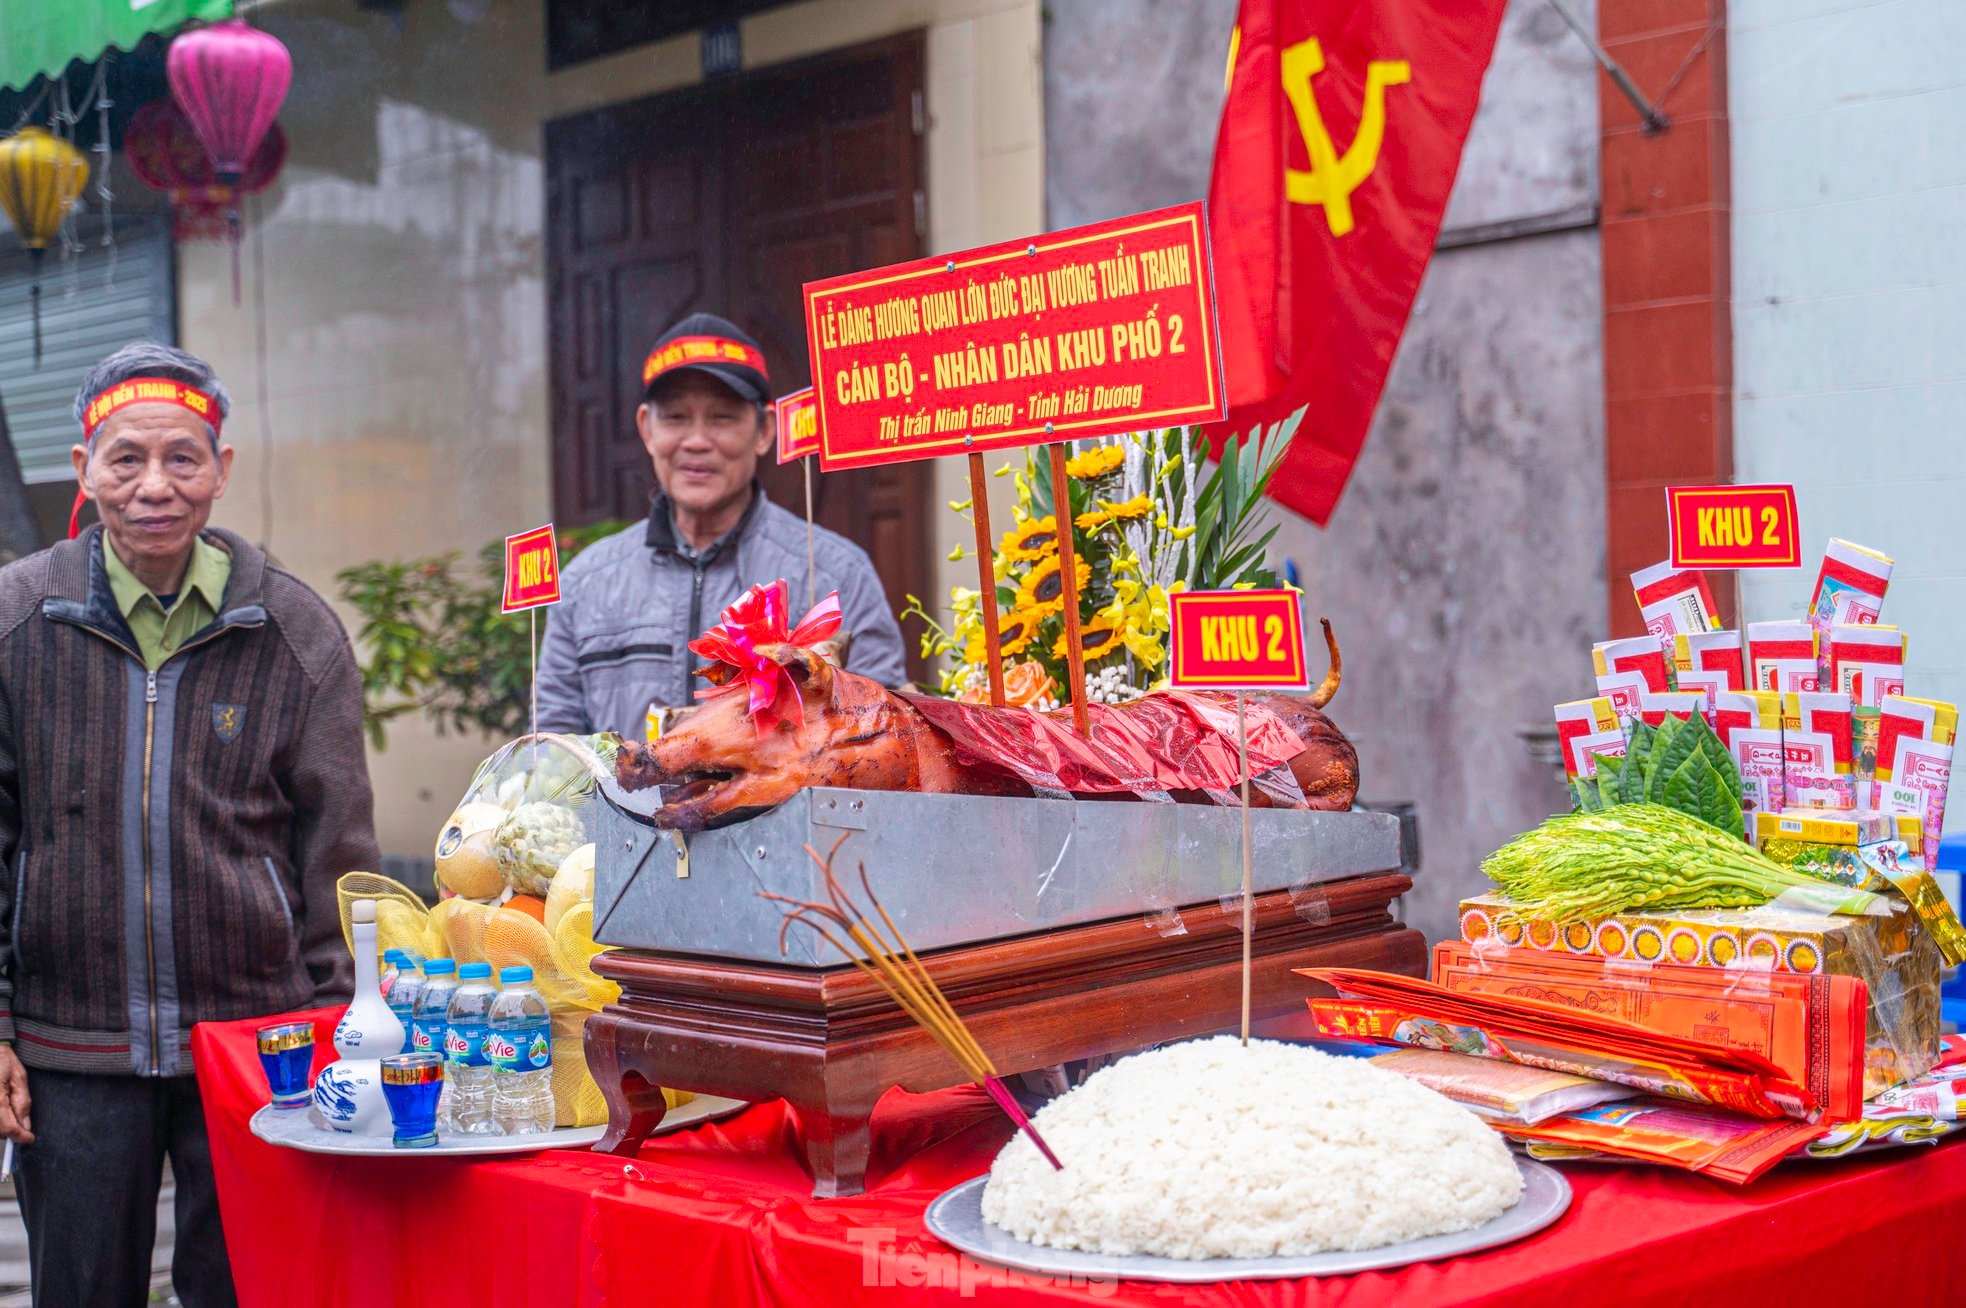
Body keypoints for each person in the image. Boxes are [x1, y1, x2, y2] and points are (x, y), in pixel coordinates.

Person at [0, 343, 381, 1307]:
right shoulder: (15, 621)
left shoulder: (292, 631)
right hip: (67, 1048)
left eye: (184, 458)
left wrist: (344, 1025)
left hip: (260, 1048)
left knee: (249, 1289)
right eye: (127, 458)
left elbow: (340, 852)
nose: (155, 487)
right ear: (83, 467)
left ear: (223, 470)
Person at [537, 313, 906, 737]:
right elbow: (554, 746)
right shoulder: (586, 584)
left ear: (764, 430)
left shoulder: (835, 575)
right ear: (646, 428)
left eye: (722, 418)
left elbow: (884, 730)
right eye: (675, 417)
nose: (696, 440)